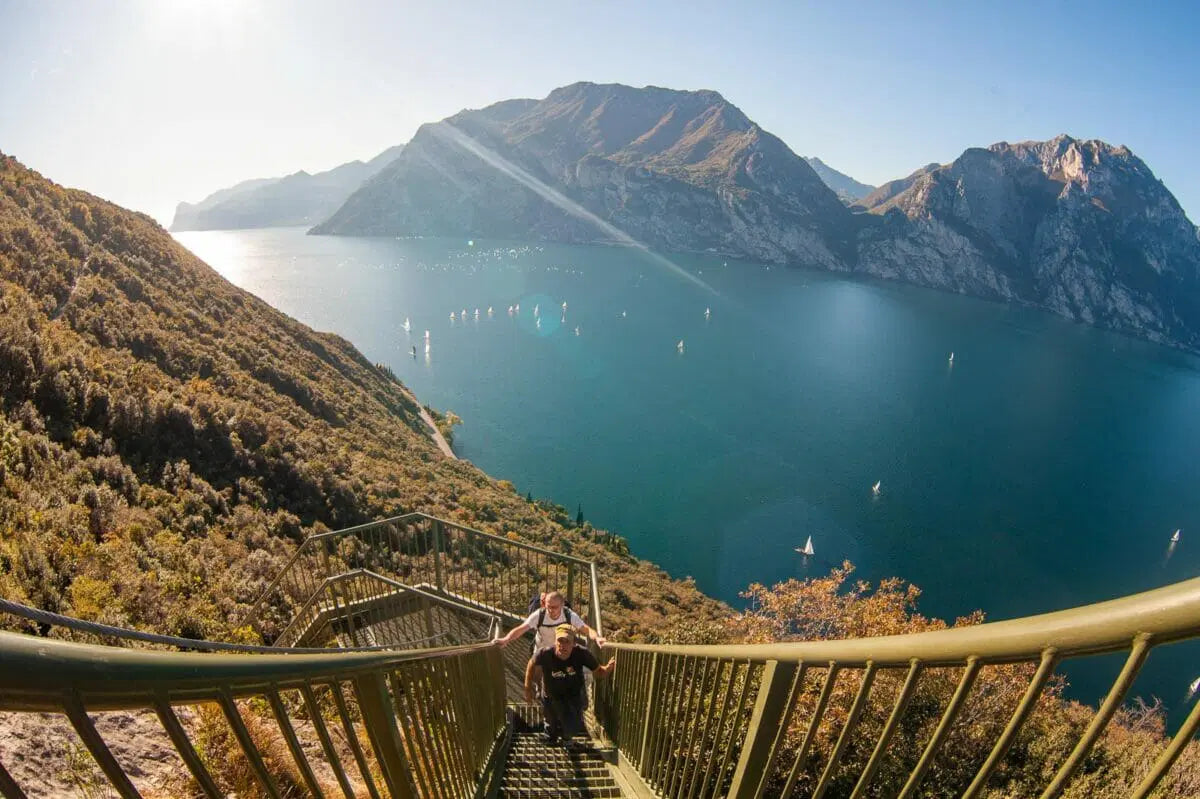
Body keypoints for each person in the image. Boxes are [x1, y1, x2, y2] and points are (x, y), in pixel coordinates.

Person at [526, 624, 614, 744]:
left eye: (567, 642)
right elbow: (531, 664)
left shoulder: (582, 653)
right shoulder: (545, 653)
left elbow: (598, 671)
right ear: (555, 641)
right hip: (551, 694)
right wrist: (527, 688)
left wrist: (607, 669)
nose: (563, 645)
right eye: (560, 641)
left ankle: (566, 736)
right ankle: (550, 737)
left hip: (573, 695)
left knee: (571, 727)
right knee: (550, 721)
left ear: (573, 644)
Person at [495, 590, 606, 653]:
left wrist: (597, 638)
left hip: (559, 652)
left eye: (555, 607)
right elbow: (521, 629)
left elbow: (586, 629)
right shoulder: (539, 615)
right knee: (538, 677)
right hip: (541, 651)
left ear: (562, 605)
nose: (551, 610)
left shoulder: (568, 615)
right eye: (548, 607)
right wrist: (506, 639)